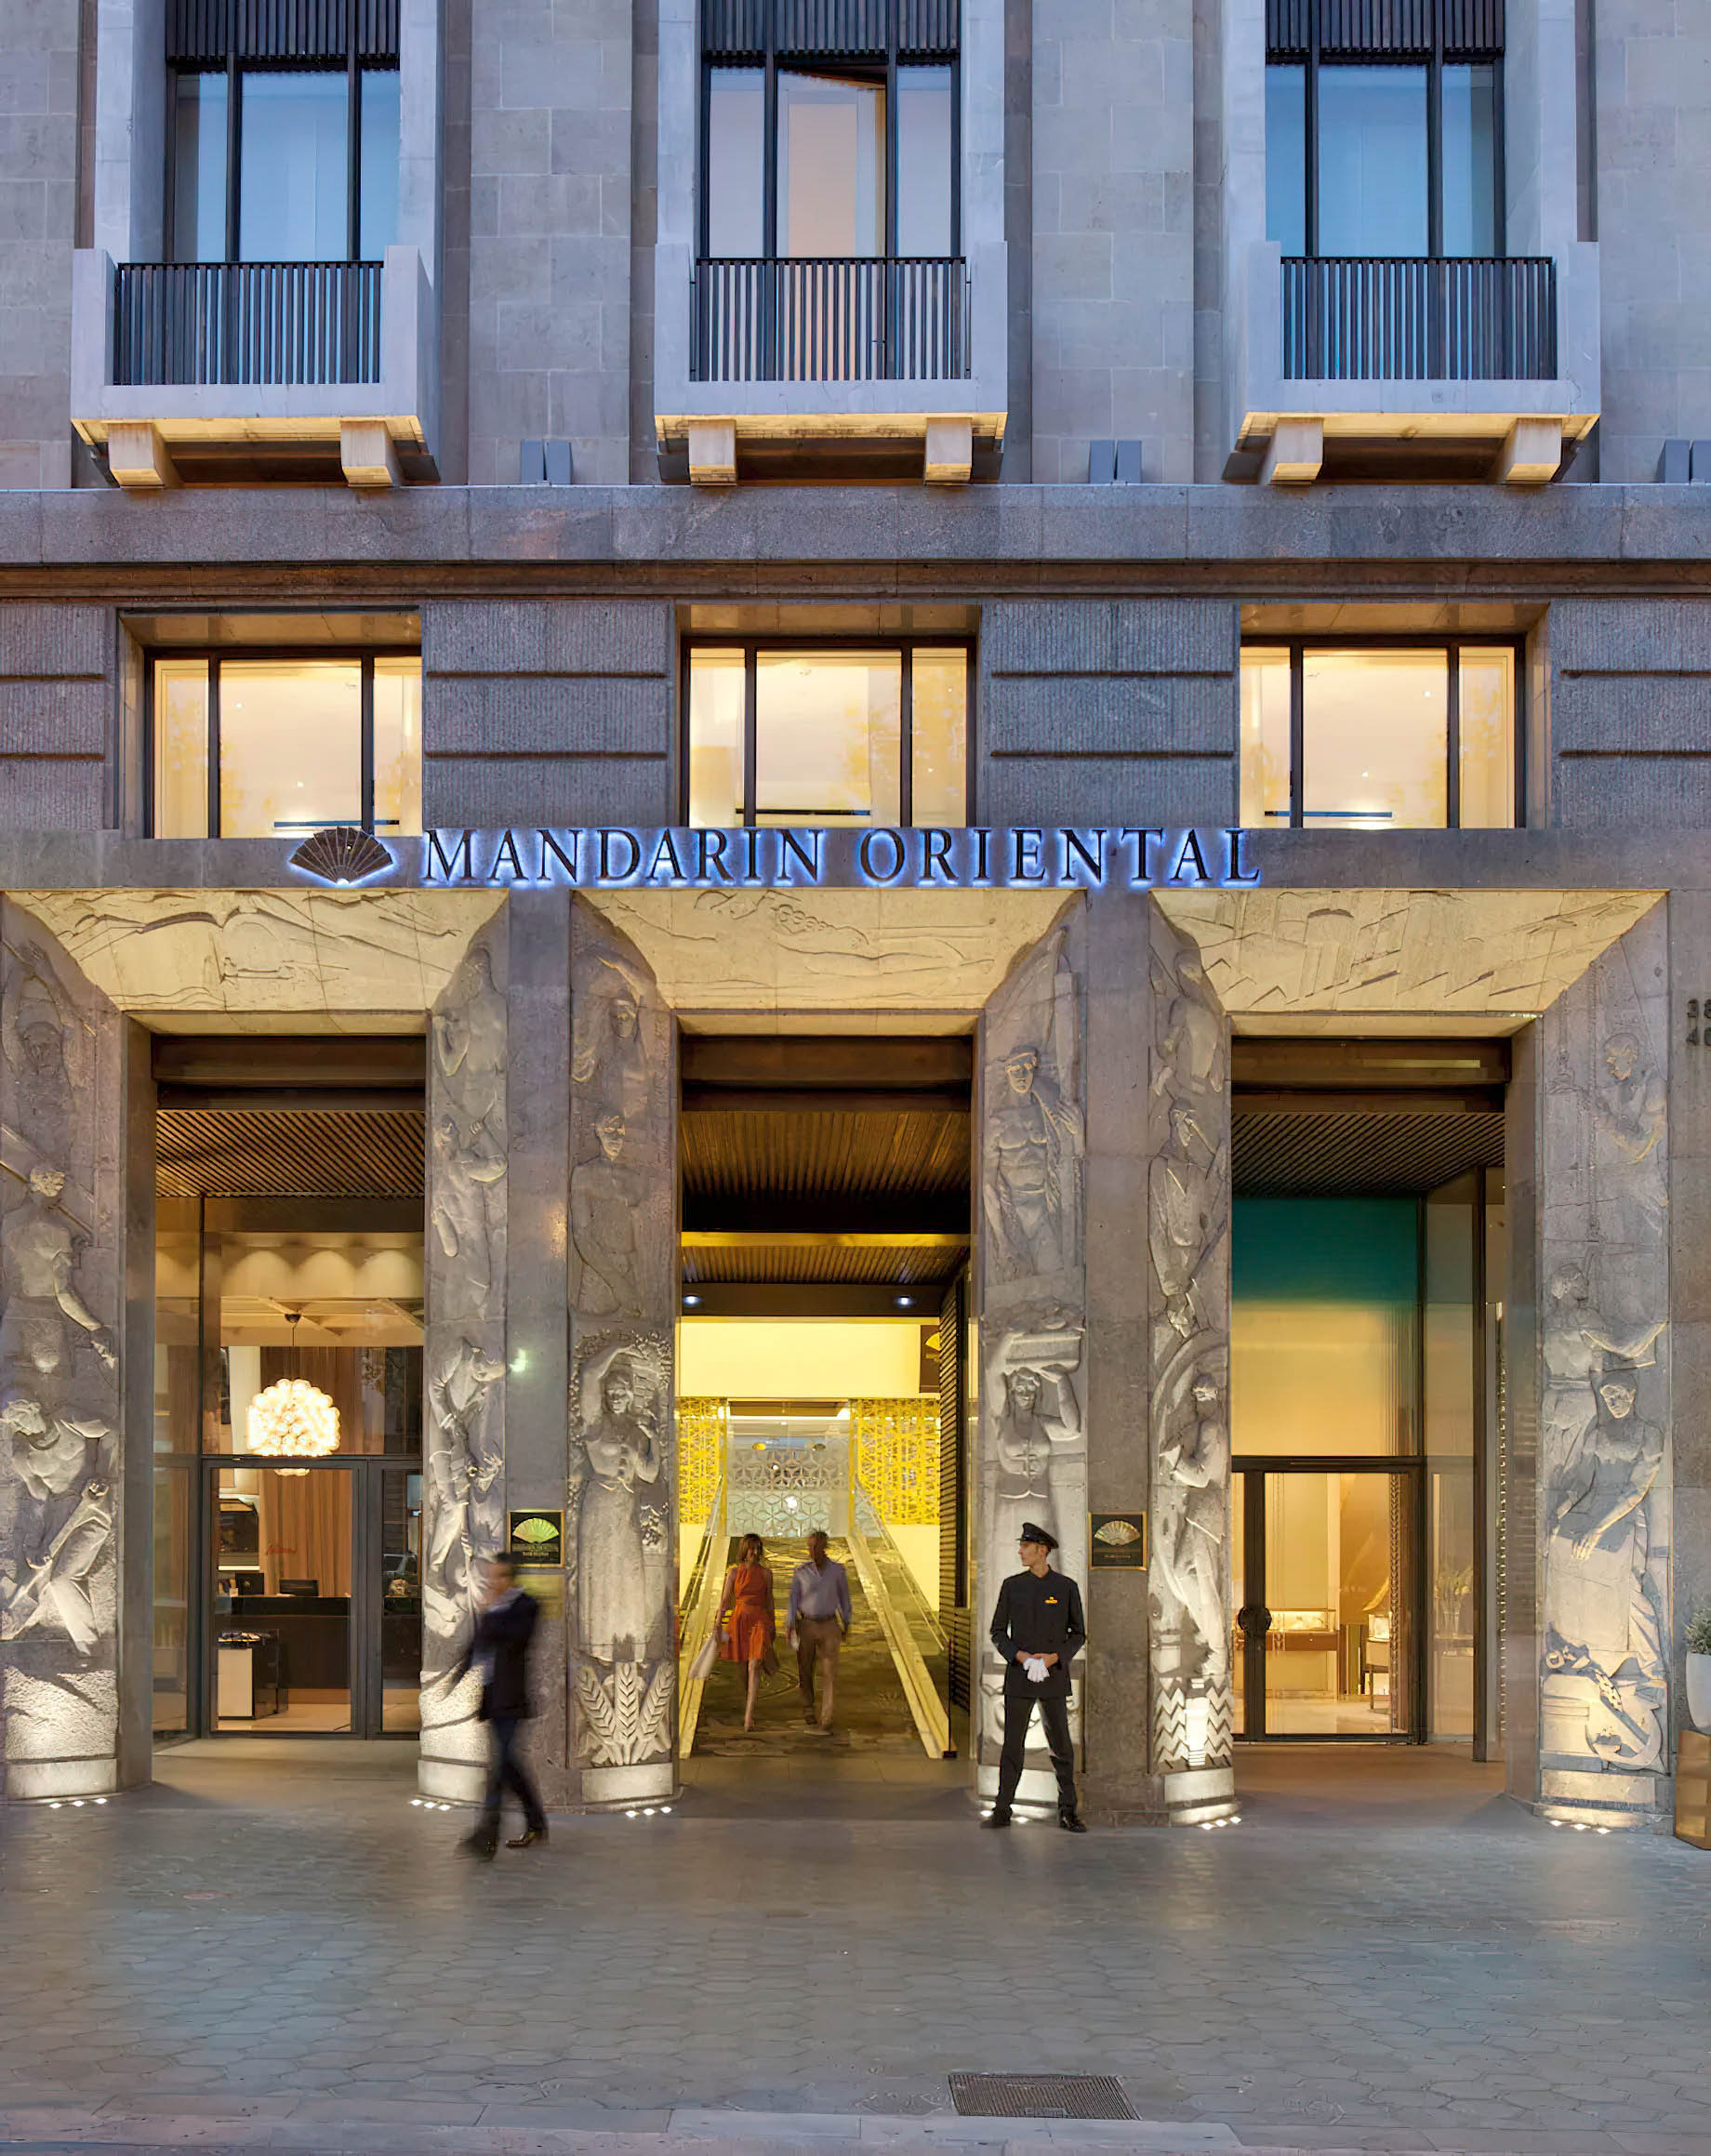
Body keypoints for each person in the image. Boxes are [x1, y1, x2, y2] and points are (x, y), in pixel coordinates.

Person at [983, 1521, 1087, 1832]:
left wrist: (1055, 1657)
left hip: (1053, 1676)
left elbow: (1078, 1634)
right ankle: (1002, 1809)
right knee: (1012, 1746)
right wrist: (1021, 1657)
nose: (1020, 1551)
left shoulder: (1065, 1587)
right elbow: (998, 1632)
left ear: (1042, 1551)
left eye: (1026, 1547)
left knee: (1061, 1748)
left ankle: (1068, 1811)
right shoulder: (1012, 1586)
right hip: (1020, 1676)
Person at [456, 1554, 548, 1858]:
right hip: (492, 1698)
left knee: (499, 1769)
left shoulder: (526, 1607)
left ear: (512, 1578)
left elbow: (513, 1639)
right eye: (491, 1577)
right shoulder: (497, 1609)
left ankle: (486, 1838)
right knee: (509, 1768)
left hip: (512, 1699)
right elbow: (479, 1646)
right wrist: (458, 1676)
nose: (493, 1582)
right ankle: (536, 1822)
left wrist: (492, 1611)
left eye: (499, 1577)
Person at [786, 1528, 852, 1733]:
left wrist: (846, 1622)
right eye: (810, 1546)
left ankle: (827, 1715)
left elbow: (844, 1598)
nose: (812, 1550)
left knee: (829, 1672)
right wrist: (790, 1624)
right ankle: (808, 1707)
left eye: (816, 1546)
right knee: (805, 1668)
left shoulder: (837, 1571)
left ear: (824, 1547)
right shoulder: (801, 1572)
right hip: (807, 1624)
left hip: (830, 1624)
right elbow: (793, 1599)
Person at [716, 1532, 776, 1733]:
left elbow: (770, 1602)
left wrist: (773, 1626)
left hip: (759, 1620)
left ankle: (749, 1717)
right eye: (751, 1548)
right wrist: (718, 1624)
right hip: (739, 1620)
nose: (755, 1552)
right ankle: (749, 1697)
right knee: (742, 1667)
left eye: (758, 1548)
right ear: (744, 1549)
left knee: (755, 1664)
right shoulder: (733, 1573)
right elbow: (724, 1601)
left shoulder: (767, 1574)